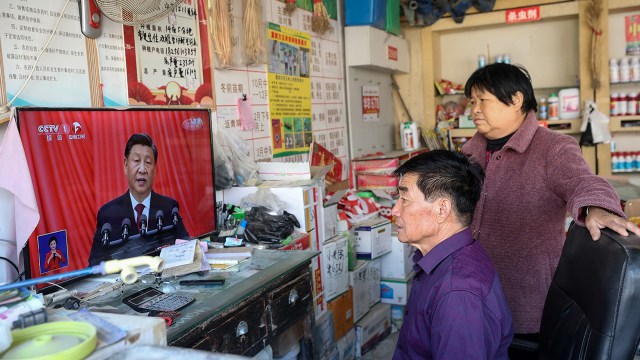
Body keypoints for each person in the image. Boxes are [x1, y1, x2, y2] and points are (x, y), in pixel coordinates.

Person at [461, 63, 640, 350]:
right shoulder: (470, 150)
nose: (475, 109)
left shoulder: (553, 147)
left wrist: (596, 206)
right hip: (471, 288)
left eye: (483, 100)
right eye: (472, 101)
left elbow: (582, 181)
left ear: (516, 99)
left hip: (525, 295)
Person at [391, 150, 513, 359]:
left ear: (442, 210)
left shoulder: (457, 292)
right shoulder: (448, 257)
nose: (394, 210)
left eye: (405, 199)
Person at [88, 133, 190, 266]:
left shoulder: (169, 208)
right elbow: (94, 267)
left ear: (155, 168)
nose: (142, 169)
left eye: (148, 162)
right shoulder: (108, 214)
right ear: (125, 165)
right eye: (136, 161)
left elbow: (186, 250)